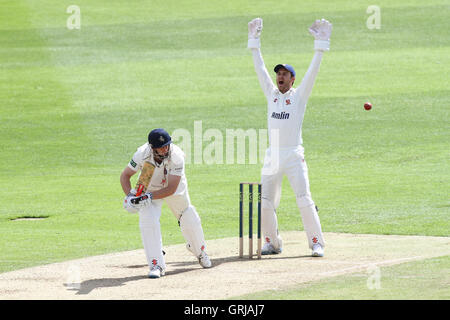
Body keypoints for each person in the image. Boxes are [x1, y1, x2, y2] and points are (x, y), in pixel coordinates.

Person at [247, 18, 332, 257]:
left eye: (284, 74)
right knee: (265, 202)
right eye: (278, 74)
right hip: (272, 155)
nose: (279, 77)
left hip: (294, 154)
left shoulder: (299, 96)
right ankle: (273, 243)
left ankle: (317, 242)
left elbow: (313, 73)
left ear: (292, 79)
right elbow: (259, 69)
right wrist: (254, 42)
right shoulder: (271, 94)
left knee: (304, 199)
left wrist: (321, 45)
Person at [120, 128, 212, 278]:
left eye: (167, 145)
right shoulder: (142, 154)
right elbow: (125, 176)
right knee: (148, 221)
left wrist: (147, 197)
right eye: (161, 147)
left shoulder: (177, 156)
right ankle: (156, 264)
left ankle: (200, 252)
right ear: (152, 147)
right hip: (148, 182)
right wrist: (130, 196)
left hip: (173, 187)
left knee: (188, 216)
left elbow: (171, 188)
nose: (165, 149)